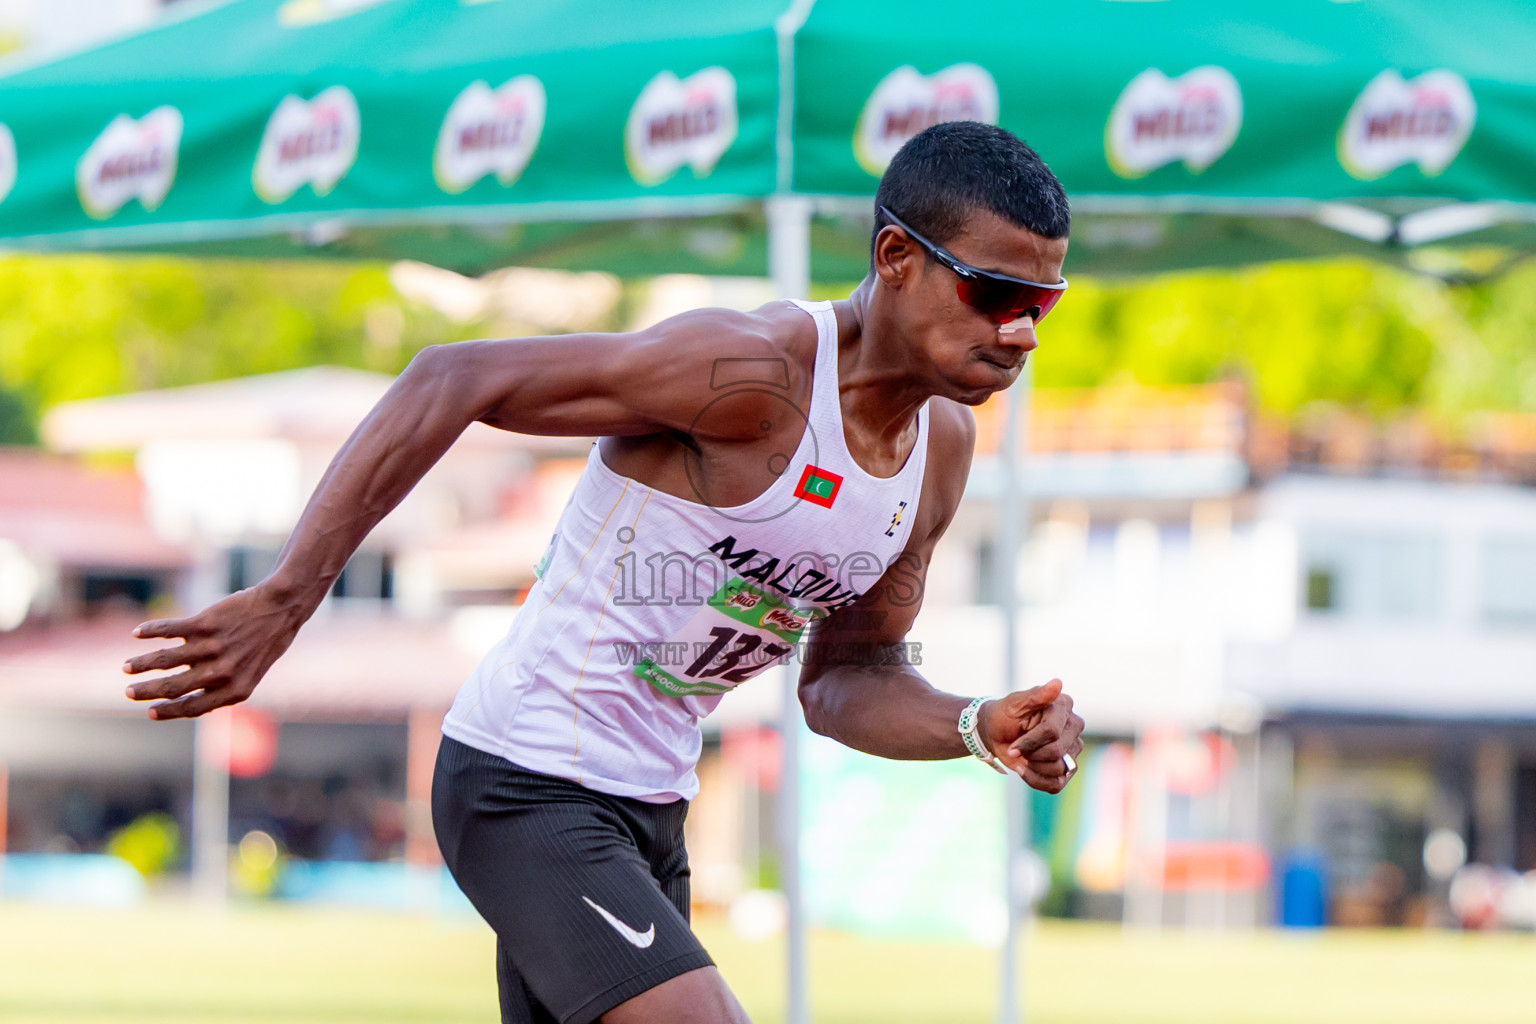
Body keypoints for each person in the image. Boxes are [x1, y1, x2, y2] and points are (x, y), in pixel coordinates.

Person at [124, 121, 1086, 1024]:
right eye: (995, 295)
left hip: (652, 811)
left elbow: (847, 679)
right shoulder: (749, 374)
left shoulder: (942, 457)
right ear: (896, 260)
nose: (1022, 333)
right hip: (524, 777)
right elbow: (451, 377)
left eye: (1041, 303)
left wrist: (977, 725)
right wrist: (289, 597)